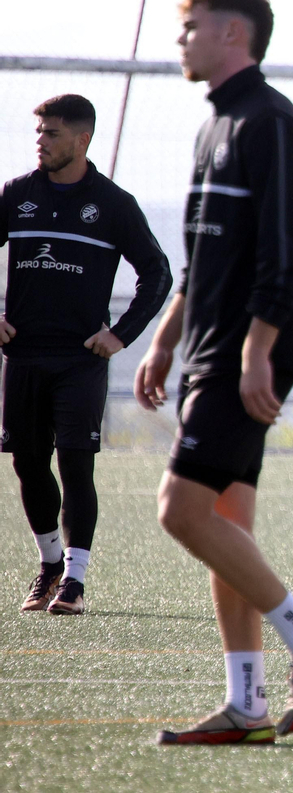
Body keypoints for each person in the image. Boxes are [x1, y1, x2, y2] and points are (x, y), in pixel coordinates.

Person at [136, 0, 293, 745]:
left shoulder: (271, 122)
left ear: (233, 34)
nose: (181, 41)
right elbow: (202, 257)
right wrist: (165, 338)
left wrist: (258, 352)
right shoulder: (213, 127)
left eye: (190, 28)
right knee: (227, 523)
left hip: (245, 354)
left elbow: (285, 251)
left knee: (181, 510)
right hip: (209, 348)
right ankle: (247, 704)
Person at [2, 94, 171, 615]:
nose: (40, 141)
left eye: (51, 133)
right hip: (24, 356)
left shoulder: (114, 204)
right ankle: (50, 563)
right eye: (38, 132)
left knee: (76, 464)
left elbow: (158, 274)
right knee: (30, 465)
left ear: (82, 139)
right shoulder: (16, 194)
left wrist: (120, 334)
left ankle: (74, 580)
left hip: (80, 361)